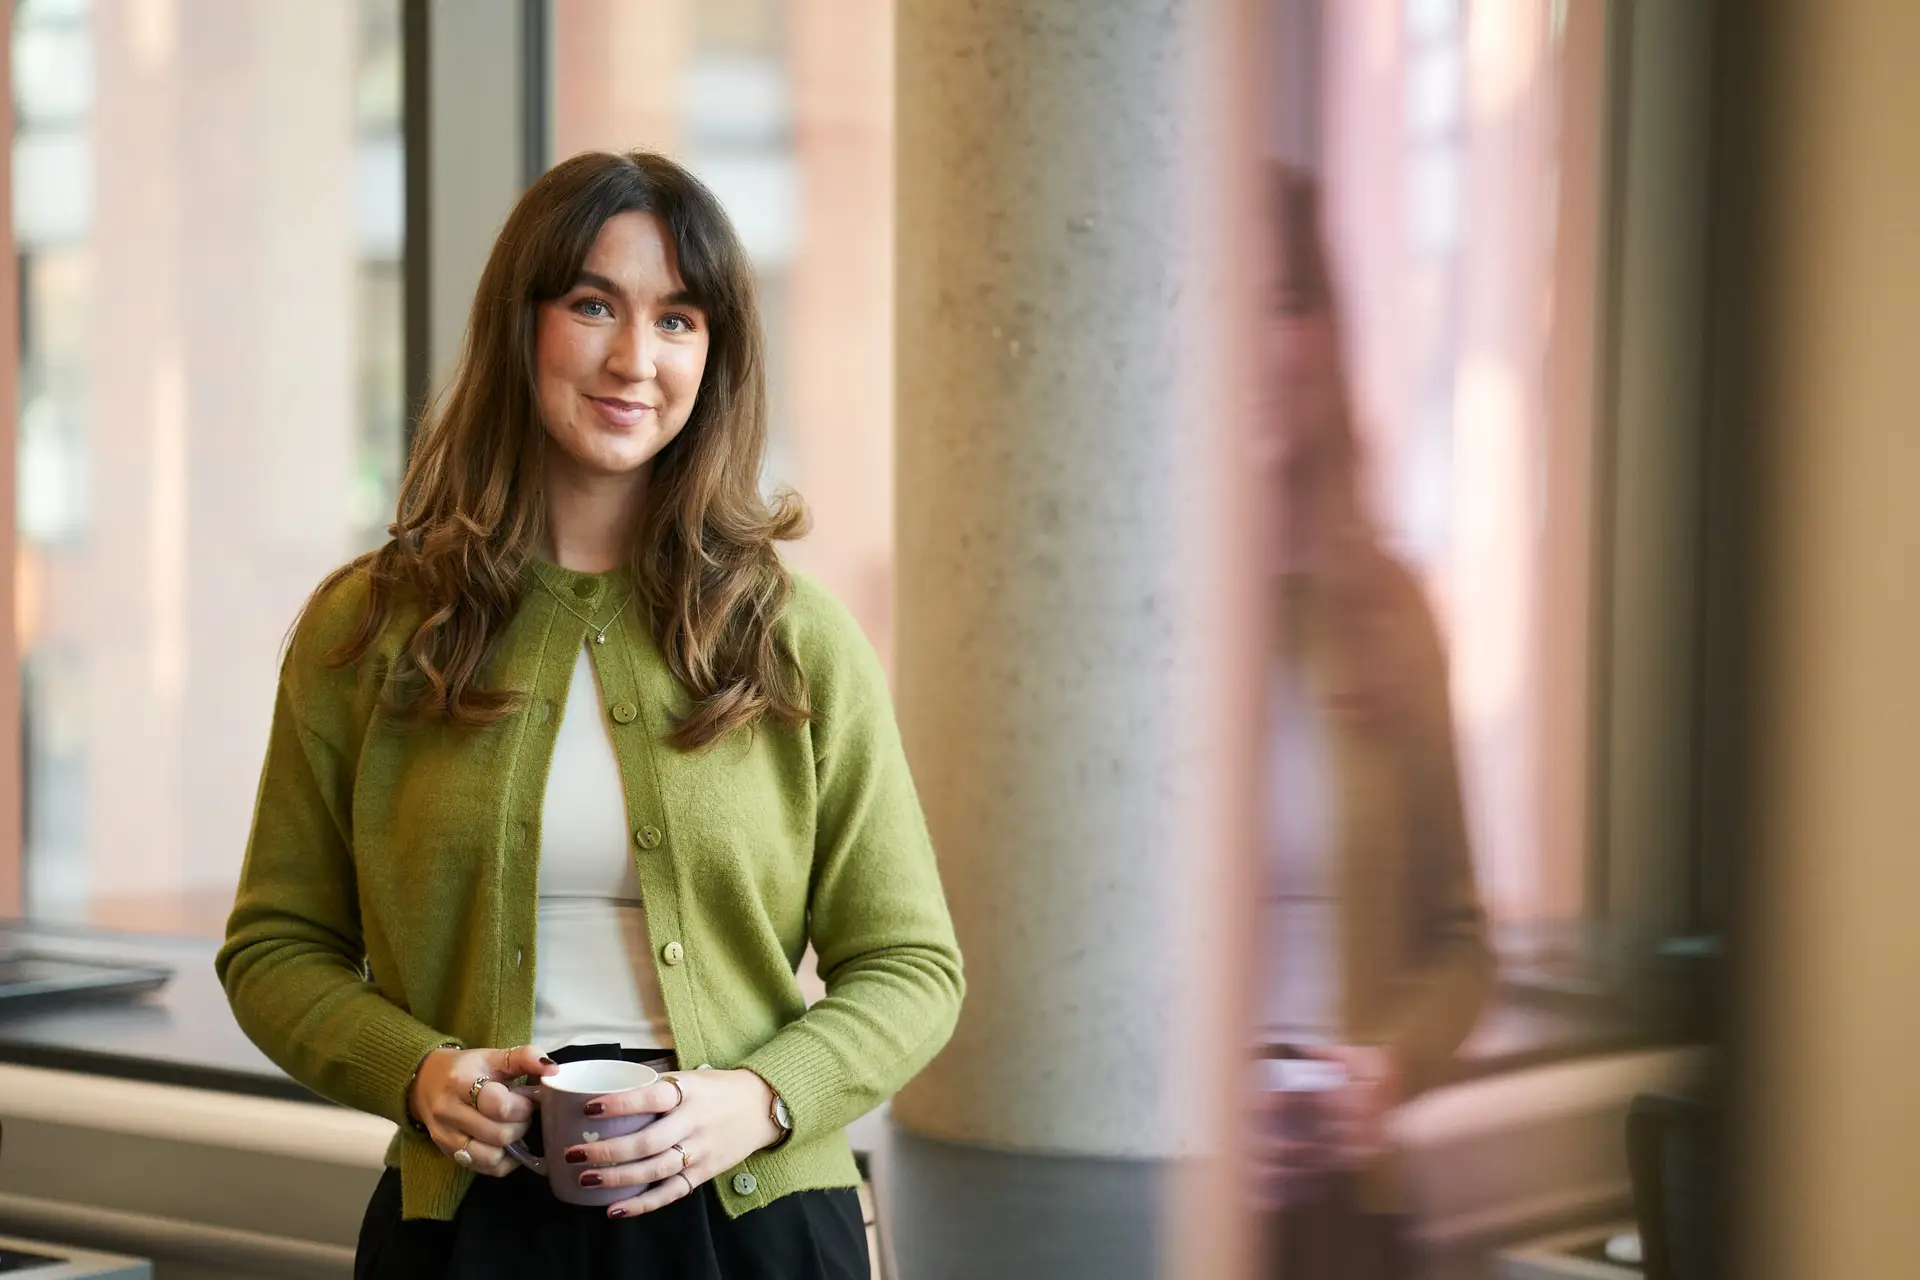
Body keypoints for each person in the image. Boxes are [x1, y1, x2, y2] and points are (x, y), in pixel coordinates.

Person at [217, 150, 964, 1279]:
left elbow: (912, 964)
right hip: (469, 1222)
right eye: (592, 305)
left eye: (679, 320)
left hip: (748, 1218)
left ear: (716, 357)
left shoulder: (792, 635)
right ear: (521, 325)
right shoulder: (371, 627)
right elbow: (274, 946)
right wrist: (417, 1071)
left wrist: (760, 1097)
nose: (634, 358)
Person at [1252, 167, 1494, 1278]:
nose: (1257, 341)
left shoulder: (1390, 609)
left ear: (1326, 333)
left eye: (1285, 302)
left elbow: (1461, 939)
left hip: (1347, 1211)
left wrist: (1382, 1067)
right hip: (1158, 1192)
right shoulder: (1124, 631)